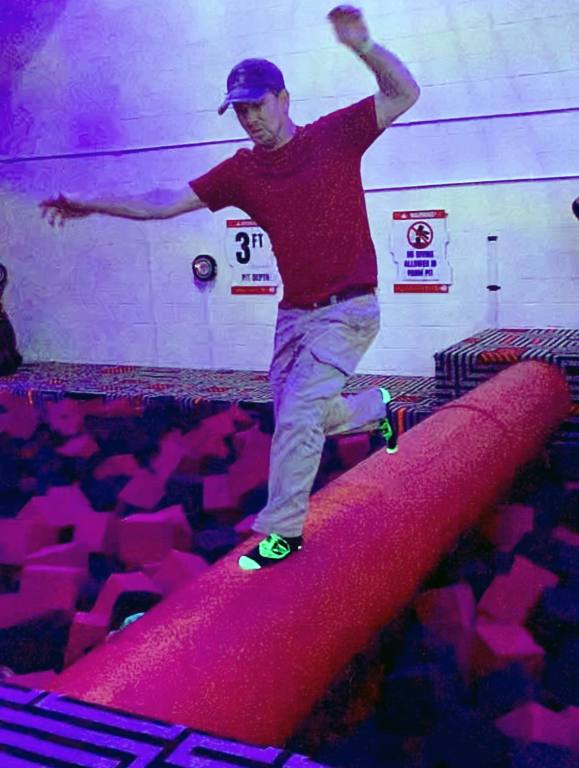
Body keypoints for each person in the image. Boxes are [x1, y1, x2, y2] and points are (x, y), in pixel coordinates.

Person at [40, 5, 420, 571]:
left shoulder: (335, 136)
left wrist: (363, 46)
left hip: (349, 309)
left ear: (284, 98)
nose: (249, 119)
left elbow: (405, 93)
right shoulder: (242, 172)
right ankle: (375, 409)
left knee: (296, 416)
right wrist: (92, 205)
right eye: (239, 111)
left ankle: (283, 535)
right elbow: (163, 201)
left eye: (257, 106)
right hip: (296, 316)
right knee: (301, 409)